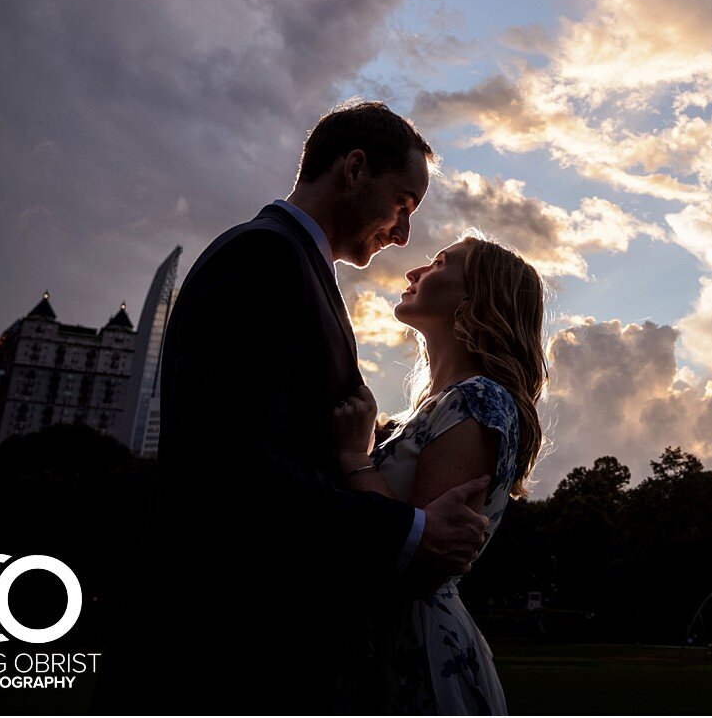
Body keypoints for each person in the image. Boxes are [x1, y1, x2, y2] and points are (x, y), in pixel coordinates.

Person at [152, 101, 491, 713]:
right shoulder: (263, 258)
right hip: (229, 654)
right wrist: (414, 530)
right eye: (403, 203)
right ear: (354, 169)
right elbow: (228, 468)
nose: (403, 233)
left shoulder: (294, 265)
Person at [330, 230, 547, 715]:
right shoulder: (437, 408)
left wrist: (353, 459)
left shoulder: (478, 400)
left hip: (413, 656)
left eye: (439, 264)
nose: (414, 271)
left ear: (475, 298)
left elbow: (418, 558)